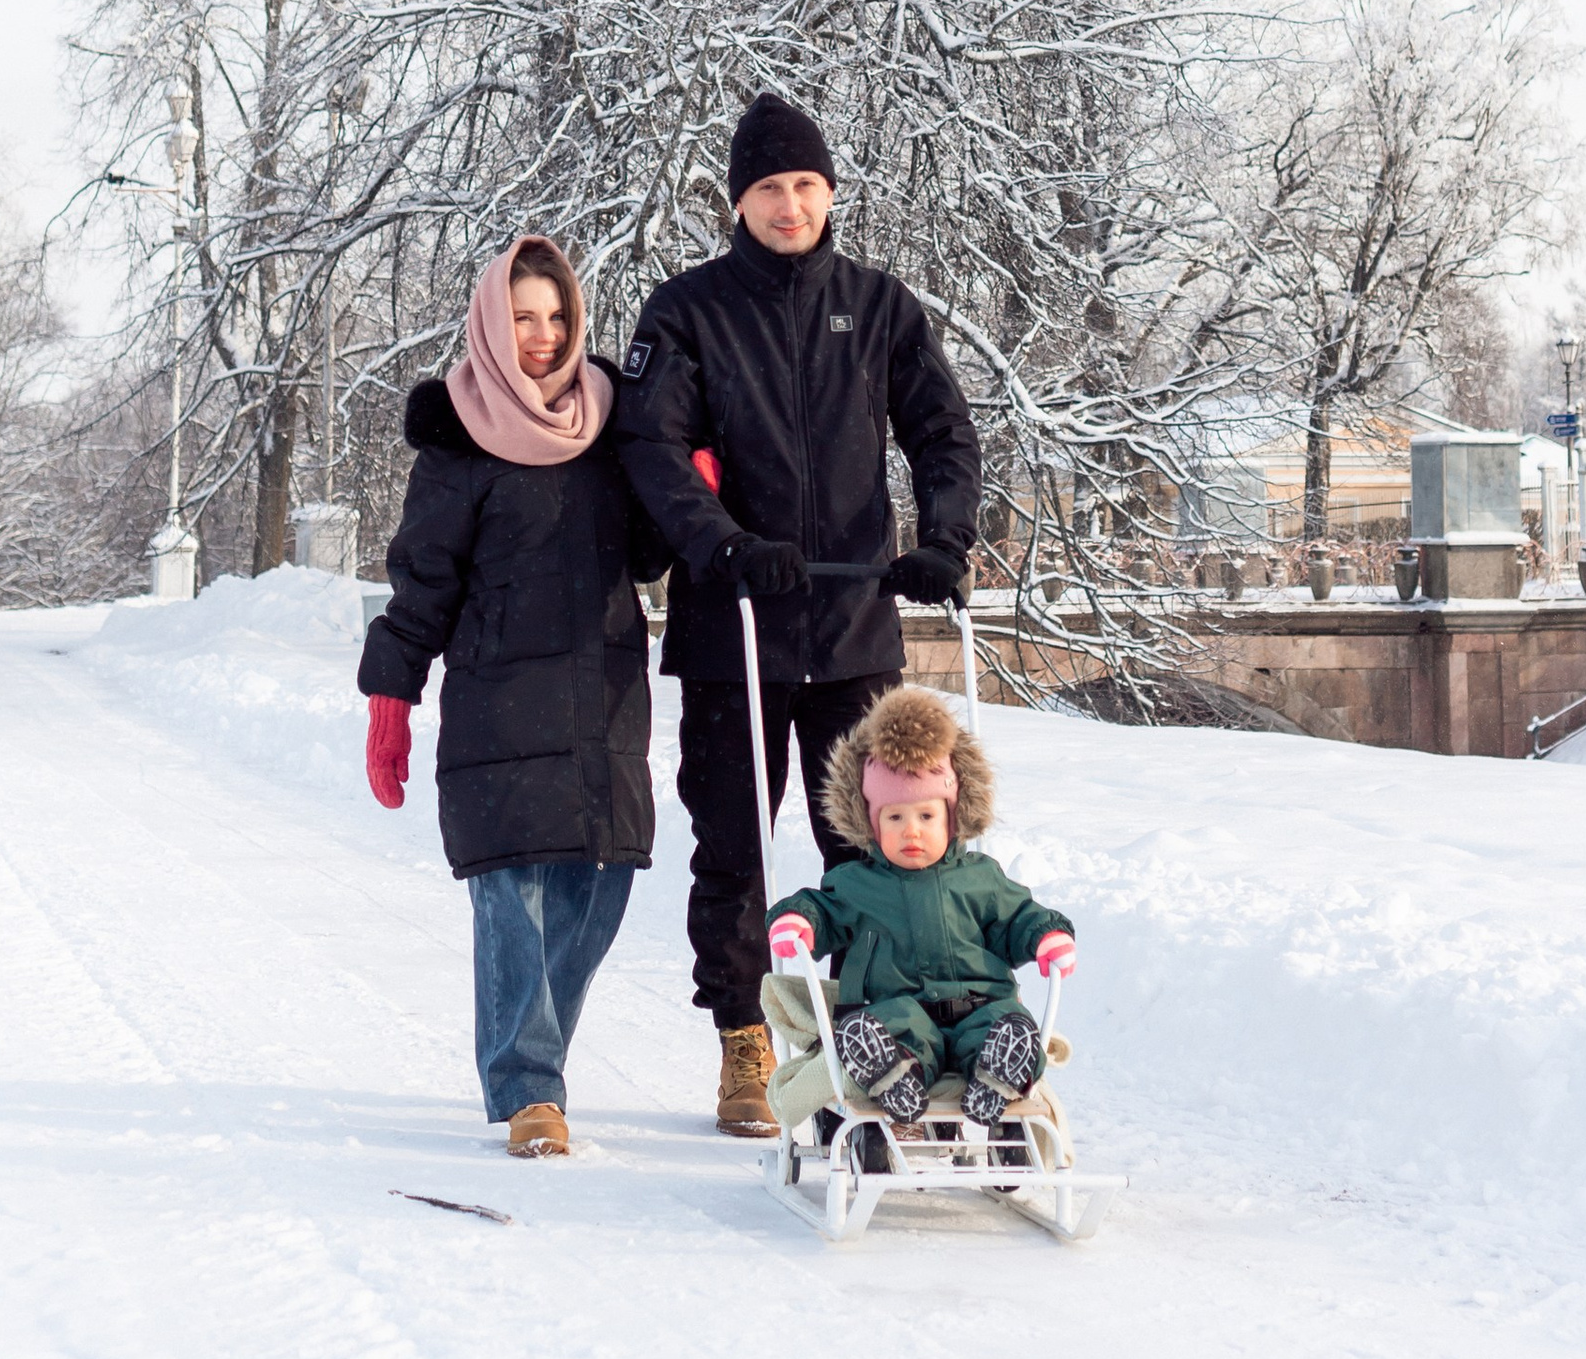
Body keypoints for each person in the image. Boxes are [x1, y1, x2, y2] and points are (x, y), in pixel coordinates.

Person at [613, 92, 983, 1139]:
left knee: (873, 852)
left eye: (806, 187)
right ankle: (745, 1038)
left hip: (855, 621)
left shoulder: (877, 306)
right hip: (735, 623)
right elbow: (651, 448)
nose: (789, 206)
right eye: (770, 189)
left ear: (830, 194)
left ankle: (870, 1032)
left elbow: (942, 433)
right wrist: (719, 541)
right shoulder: (687, 311)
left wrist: (943, 540)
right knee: (736, 849)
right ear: (740, 200)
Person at [358, 235, 667, 1159]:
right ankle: (530, 1084)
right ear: (493, 323)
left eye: (557, 317)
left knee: (601, 885)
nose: (542, 336)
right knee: (511, 892)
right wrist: (391, 698)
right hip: (498, 695)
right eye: (523, 318)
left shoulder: (614, 425)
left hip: (603, 690)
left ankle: (537, 1062)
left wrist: (692, 484)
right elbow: (423, 583)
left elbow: (648, 558)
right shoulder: (461, 439)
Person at [765, 684, 1075, 1133]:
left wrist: (1046, 934)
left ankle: (999, 1073)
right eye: (894, 818)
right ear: (871, 823)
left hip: (982, 1006)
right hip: (902, 1009)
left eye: (926, 816)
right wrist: (799, 919)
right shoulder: (857, 883)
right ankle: (896, 1075)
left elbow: (1018, 916)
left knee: (1006, 1025)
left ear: (953, 815)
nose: (912, 831)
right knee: (881, 1028)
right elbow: (823, 908)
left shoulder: (980, 877)